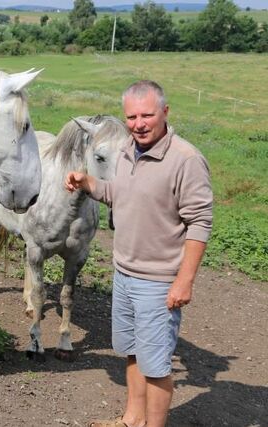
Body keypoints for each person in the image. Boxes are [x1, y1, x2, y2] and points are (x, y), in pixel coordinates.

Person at [65, 80, 213, 427]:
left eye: (147, 114)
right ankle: (132, 419)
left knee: (157, 365)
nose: (139, 123)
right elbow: (121, 194)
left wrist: (184, 281)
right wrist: (88, 182)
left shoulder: (185, 160)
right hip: (125, 275)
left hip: (158, 283)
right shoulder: (129, 151)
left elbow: (200, 223)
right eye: (131, 116)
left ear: (165, 112)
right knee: (133, 352)